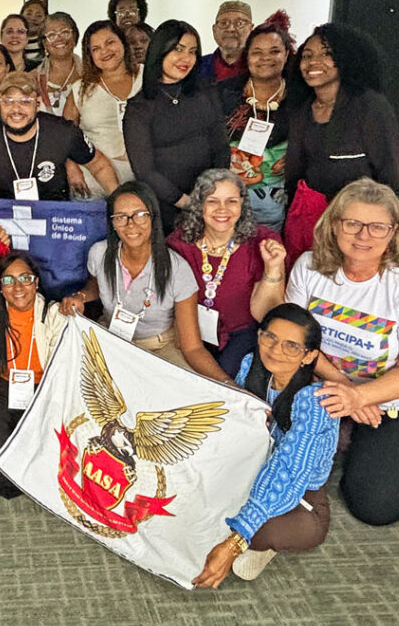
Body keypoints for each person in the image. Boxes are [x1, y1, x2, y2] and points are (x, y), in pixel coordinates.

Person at [285, 178, 399, 527]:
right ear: (334, 224)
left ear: (395, 232)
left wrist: (360, 397)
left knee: (375, 508)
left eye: (378, 226)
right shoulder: (309, 266)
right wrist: (349, 392)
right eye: (352, 223)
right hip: (326, 383)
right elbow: (294, 341)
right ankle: (347, 432)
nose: (364, 235)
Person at [193, 303, 336, 587]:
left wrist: (235, 541)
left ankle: (257, 543)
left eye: (291, 346)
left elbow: (288, 471)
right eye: (270, 337)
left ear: (309, 356)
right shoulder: (251, 365)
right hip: (251, 469)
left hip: (301, 496)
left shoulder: (315, 401)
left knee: (247, 527)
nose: (276, 350)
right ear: (259, 335)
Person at [61, 182, 230, 383]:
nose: (131, 224)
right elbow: (96, 285)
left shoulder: (177, 269)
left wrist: (229, 385)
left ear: (153, 217)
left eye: (140, 215)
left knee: (186, 391)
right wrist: (80, 296)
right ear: (112, 223)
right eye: (121, 217)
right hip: (111, 340)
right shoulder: (100, 253)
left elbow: (192, 347)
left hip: (159, 348)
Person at [0, 251, 65, 498]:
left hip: (44, 393)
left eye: (25, 278)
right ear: (0, 286)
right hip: (4, 390)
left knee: (57, 439)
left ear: (36, 283)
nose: (17, 287)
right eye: (8, 280)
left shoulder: (54, 315)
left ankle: (0, 466)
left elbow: (61, 375)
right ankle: (10, 469)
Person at [167, 169, 286, 378]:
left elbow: (265, 314)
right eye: (212, 201)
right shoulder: (179, 243)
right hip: (191, 328)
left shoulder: (263, 242)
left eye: (231, 201)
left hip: (242, 333)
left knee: (224, 377)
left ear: (242, 204)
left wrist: (272, 268)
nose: (222, 209)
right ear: (199, 205)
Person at [0, 71, 117, 200]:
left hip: (53, 213)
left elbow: (98, 164)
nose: (16, 109)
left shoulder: (64, 132)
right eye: (9, 101)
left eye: (25, 101)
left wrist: (119, 202)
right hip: (3, 214)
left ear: (37, 103)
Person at [123, 19, 229, 233]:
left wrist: (213, 195)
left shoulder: (206, 91)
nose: (186, 58)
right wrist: (187, 203)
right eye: (178, 49)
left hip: (211, 203)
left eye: (192, 51)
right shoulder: (139, 107)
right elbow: (145, 170)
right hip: (164, 208)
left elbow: (221, 147)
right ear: (159, 51)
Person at [284, 23, 399, 204]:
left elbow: (390, 173)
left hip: (359, 212)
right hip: (309, 210)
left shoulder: (369, 105)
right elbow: (295, 175)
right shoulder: (302, 108)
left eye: (326, 54)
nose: (313, 62)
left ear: (346, 58)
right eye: (307, 56)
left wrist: (398, 219)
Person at [218, 12, 295, 231]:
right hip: (227, 199)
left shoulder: (300, 96)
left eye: (274, 51)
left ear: (286, 54)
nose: (265, 58)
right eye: (257, 52)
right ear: (247, 56)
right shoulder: (223, 92)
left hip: (278, 201)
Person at [63, 19, 143, 197]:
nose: (105, 51)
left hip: (145, 174)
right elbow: (65, 136)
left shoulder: (147, 76)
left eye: (110, 42)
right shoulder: (80, 89)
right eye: (96, 48)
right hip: (93, 178)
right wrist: (71, 167)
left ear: (123, 42)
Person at [35, 12, 81, 114]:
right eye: (52, 35)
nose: (59, 38)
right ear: (44, 43)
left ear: (74, 37)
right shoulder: (33, 79)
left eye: (65, 32)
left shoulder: (91, 74)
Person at [199, 1, 253, 84]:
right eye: (223, 23)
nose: (230, 29)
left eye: (239, 23)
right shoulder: (197, 66)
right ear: (214, 29)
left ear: (251, 29)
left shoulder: (261, 66)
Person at [20, 0, 47, 66]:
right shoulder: (13, 42)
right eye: (29, 14)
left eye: (39, 15)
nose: (33, 18)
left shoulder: (48, 44)